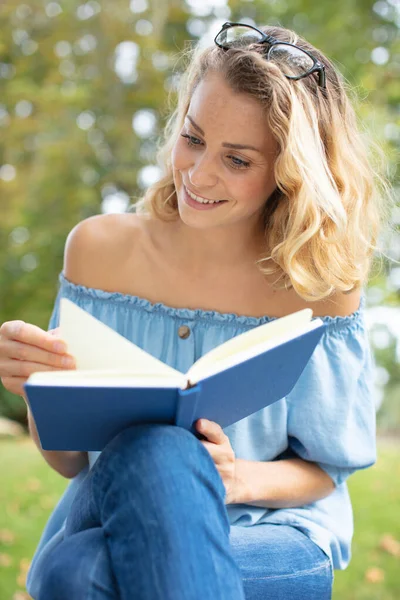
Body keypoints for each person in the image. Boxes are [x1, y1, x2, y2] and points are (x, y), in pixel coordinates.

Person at [0, 20, 390, 600]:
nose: (199, 174)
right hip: (111, 505)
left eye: (237, 160)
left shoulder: (319, 287)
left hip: (272, 534)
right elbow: (69, 463)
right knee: (156, 447)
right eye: (193, 137)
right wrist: (37, 389)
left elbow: (323, 474)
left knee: (73, 575)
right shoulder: (98, 251)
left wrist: (236, 479)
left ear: (288, 174)